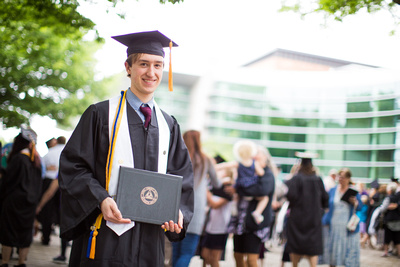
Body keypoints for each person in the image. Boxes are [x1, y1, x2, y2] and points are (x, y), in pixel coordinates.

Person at [58, 30, 194, 267]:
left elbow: (182, 178)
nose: (151, 73)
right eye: (143, 64)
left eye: (158, 65)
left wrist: (178, 212)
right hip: (107, 235)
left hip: (151, 242)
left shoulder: (168, 125)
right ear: (128, 67)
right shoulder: (100, 115)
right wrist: (100, 199)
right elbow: (73, 167)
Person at [172, 130, 220, 267]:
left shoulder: (177, 157)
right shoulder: (206, 160)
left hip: (176, 204)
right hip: (196, 208)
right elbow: (217, 183)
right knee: (187, 252)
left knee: (175, 250)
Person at [226, 145, 275, 267]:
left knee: (252, 259)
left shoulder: (267, 174)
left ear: (264, 156)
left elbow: (261, 191)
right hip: (241, 221)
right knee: (237, 255)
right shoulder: (247, 171)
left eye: (257, 152)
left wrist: (239, 189)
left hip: (255, 225)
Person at [0, 126, 43, 267]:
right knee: (25, 233)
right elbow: (39, 185)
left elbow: (8, 181)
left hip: (13, 201)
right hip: (30, 203)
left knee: (8, 231)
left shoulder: (18, 158)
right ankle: (21, 262)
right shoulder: (35, 162)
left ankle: (5, 261)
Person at [285, 152, 328, 267]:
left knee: (295, 244)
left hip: (297, 219)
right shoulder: (318, 179)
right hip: (313, 218)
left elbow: (290, 196)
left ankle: (295, 265)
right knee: (312, 246)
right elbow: (325, 199)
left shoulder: (297, 178)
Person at [218, 140, 267, 225]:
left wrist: (214, 167)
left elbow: (224, 165)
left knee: (236, 195)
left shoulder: (238, 163)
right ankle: (257, 212)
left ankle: (234, 207)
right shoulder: (254, 164)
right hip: (251, 187)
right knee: (264, 198)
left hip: (240, 186)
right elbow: (261, 173)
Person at [322, 168, 362, 267]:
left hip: (347, 226)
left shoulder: (353, 191)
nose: (341, 179)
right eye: (339, 177)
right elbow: (326, 204)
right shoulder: (332, 190)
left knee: (347, 250)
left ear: (348, 178)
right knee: (333, 250)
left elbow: (360, 206)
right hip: (334, 224)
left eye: (343, 177)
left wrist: (355, 203)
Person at [200, 169, 234, 267]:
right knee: (205, 255)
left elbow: (215, 204)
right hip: (210, 226)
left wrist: (205, 189)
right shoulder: (214, 187)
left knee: (214, 258)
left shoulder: (227, 190)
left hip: (220, 228)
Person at [37, 136, 66, 245]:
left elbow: (41, 169)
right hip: (63, 182)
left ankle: (46, 237)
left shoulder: (48, 154)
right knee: (62, 212)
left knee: (47, 212)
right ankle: (64, 243)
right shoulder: (67, 151)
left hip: (50, 181)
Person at [380, 182, 400, 258]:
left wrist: (387, 207)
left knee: (387, 237)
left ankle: (386, 252)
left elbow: (383, 208)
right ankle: (399, 253)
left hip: (389, 220)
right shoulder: (398, 198)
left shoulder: (388, 198)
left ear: (389, 190)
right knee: (397, 238)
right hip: (398, 220)